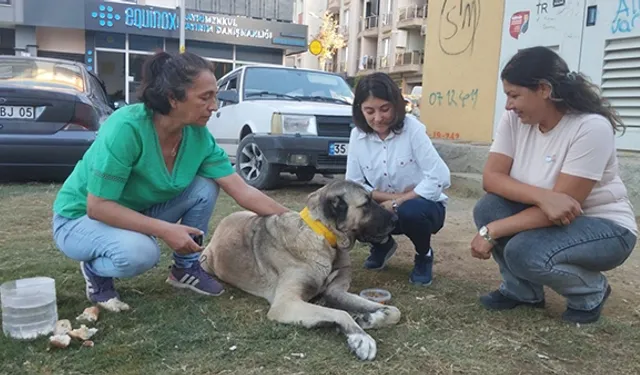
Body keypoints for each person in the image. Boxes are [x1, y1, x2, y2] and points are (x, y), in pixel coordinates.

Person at [51, 51, 289, 312]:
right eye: (205, 97)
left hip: (133, 213)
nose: (214, 106)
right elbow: (98, 206)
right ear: (173, 98)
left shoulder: (197, 135)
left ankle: (185, 269)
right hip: (80, 218)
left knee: (205, 186)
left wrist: (296, 221)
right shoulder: (126, 128)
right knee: (142, 254)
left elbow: (241, 189)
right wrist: (165, 230)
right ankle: (95, 269)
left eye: (215, 96)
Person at [471, 46, 637, 324]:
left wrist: (493, 231)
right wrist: (543, 197)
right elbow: (492, 178)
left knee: (523, 250)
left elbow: (564, 208)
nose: (509, 105)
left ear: (544, 89)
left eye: (514, 95)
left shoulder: (590, 128)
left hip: (605, 229)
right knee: (489, 207)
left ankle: (590, 292)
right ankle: (521, 292)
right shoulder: (515, 119)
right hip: (551, 217)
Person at [345, 72, 451, 286]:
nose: (377, 118)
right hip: (384, 205)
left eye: (384, 109)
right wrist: (390, 197)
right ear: (360, 110)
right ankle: (382, 244)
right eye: (369, 111)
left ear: (396, 105)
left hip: (423, 208)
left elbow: (440, 177)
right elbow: (353, 184)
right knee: (351, 207)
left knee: (411, 210)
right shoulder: (357, 136)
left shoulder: (413, 130)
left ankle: (424, 255)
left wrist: (401, 200)